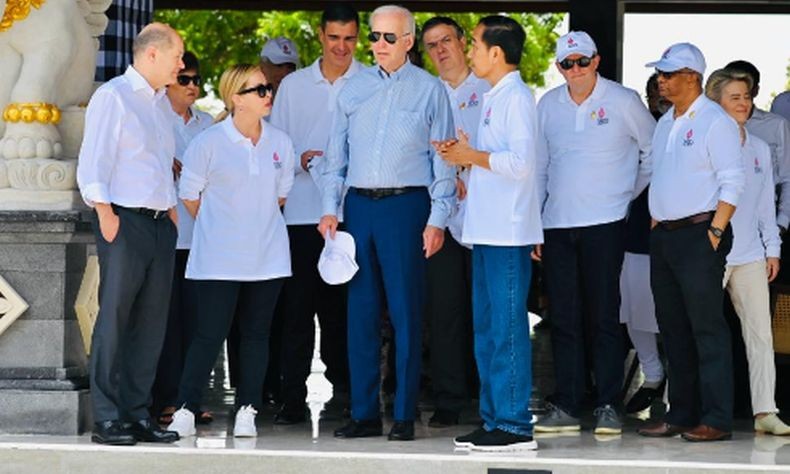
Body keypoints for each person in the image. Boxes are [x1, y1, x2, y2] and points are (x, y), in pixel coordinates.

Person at [318, 4, 455, 442]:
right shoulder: (350, 88)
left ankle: (403, 413)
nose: (377, 45)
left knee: (406, 314)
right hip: (358, 209)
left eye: (388, 38)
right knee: (359, 314)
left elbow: (444, 161)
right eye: (373, 36)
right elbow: (334, 155)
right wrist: (329, 208)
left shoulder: (431, 90)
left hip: (406, 208)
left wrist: (438, 219)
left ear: (409, 42)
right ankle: (362, 413)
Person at [533, 30, 655, 435]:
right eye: (567, 63)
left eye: (582, 61)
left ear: (596, 61)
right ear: (558, 67)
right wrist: (535, 220)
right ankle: (567, 403)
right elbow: (539, 166)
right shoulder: (547, 105)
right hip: (556, 225)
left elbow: (653, 153)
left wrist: (625, 196)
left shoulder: (623, 101)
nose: (575, 70)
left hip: (606, 224)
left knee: (604, 317)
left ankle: (607, 404)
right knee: (563, 318)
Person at [166, 64, 295, 438]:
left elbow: (281, 194)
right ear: (235, 97)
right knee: (208, 335)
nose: (267, 95)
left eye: (268, 89)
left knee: (257, 336)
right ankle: (186, 408)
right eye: (259, 90)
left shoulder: (281, 143)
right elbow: (189, 193)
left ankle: (247, 410)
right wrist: (220, 225)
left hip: (268, 258)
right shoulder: (207, 142)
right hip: (217, 259)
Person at [435, 14, 541, 452]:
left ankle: (515, 425)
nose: (470, 51)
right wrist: (463, 157)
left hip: (508, 233)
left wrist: (472, 155)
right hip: (485, 230)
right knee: (487, 330)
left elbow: (521, 164)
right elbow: (491, 161)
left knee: (508, 329)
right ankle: (494, 418)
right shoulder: (495, 96)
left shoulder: (516, 97)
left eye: (475, 45)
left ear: (497, 53)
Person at [76, 22, 183, 446]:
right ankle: (106, 418)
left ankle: (137, 415)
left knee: (151, 325)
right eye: (177, 55)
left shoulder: (159, 104)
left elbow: (159, 165)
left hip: (159, 224)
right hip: (123, 220)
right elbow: (94, 162)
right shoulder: (114, 97)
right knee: (115, 321)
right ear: (152, 54)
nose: (181, 64)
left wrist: (172, 212)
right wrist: (106, 214)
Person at [638, 42, 744, 442]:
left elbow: (733, 182)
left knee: (707, 330)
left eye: (668, 74)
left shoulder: (715, 122)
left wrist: (714, 232)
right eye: (660, 74)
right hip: (665, 237)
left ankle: (716, 419)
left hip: (700, 235)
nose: (661, 80)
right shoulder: (666, 121)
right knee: (673, 328)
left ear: (693, 78)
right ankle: (680, 413)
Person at [268, 3, 361, 425]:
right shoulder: (294, 86)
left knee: (343, 312)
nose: (342, 47)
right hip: (300, 215)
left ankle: (346, 396)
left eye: (350, 38)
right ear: (321, 37)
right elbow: (277, 147)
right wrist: (300, 161)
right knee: (297, 313)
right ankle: (292, 398)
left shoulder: (373, 82)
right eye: (334, 37)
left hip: (349, 214)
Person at [705, 67, 790, 436]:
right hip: (710, 252)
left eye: (747, 97)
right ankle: (681, 405)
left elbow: (763, 207)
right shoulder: (703, 141)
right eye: (735, 97)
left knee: (761, 334)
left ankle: (765, 412)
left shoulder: (757, 146)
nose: (744, 103)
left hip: (752, 254)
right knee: (699, 332)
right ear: (716, 103)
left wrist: (773, 248)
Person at [420, 15, 490, 428]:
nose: (441, 49)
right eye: (432, 44)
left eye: (447, 40)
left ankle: (488, 396)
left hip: (485, 217)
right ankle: (448, 398)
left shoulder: (489, 88)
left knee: (484, 312)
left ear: (463, 42)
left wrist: (468, 172)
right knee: (444, 313)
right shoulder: (426, 93)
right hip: (441, 218)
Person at [152, 51, 214, 426]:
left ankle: (191, 398)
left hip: (203, 238)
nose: (193, 86)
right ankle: (165, 399)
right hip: (165, 236)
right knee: (166, 323)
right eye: (185, 79)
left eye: (197, 79)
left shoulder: (207, 124)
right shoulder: (154, 118)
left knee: (198, 325)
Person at [622, 73, 670, 415]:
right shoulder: (636, 127)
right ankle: (653, 376)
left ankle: (675, 395)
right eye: (655, 90)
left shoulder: (693, 126)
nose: (662, 95)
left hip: (681, 232)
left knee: (675, 316)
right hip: (637, 231)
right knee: (635, 311)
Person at [725, 61, 790, 280]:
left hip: (760, 232)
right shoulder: (711, 129)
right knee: (713, 307)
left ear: (756, 90)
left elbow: (787, 178)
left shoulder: (776, 125)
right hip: (719, 228)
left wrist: (781, 222)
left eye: (747, 90)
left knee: (759, 308)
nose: (742, 97)